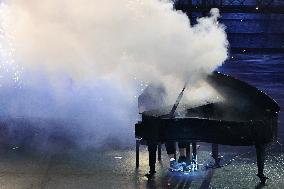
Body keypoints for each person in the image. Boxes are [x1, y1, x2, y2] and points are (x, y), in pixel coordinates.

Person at [138, 83, 192, 172]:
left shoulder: (162, 96)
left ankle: (182, 157)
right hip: (152, 128)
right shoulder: (144, 98)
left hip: (162, 125)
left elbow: (168, 109)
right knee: (170, 135)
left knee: (180, 131)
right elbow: (142, 111)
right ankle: (173, 160)